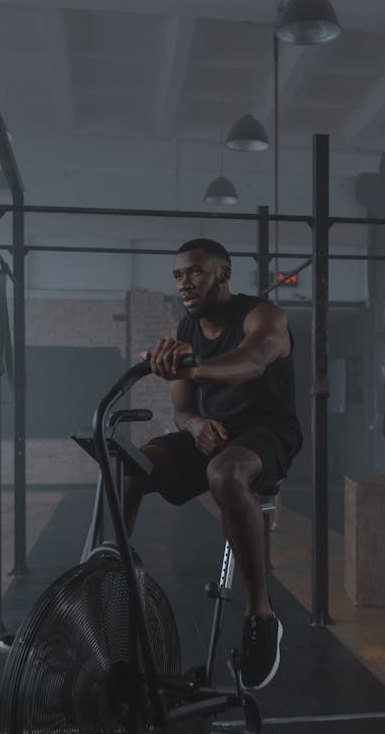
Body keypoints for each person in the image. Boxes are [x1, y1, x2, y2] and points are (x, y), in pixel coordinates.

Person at [124, 236, 303, 690]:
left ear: (223, 273)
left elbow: (254, 361)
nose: (185, 283)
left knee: (224, 471)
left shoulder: (263, 316)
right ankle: (106, 590)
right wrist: (195, 426)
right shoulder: (185, 330)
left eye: (195, 272)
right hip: (214, 433)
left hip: (267, 433)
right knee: (128, 467)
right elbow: (183, 410)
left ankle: (262, 616)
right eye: (178, 275)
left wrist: (193, 369)